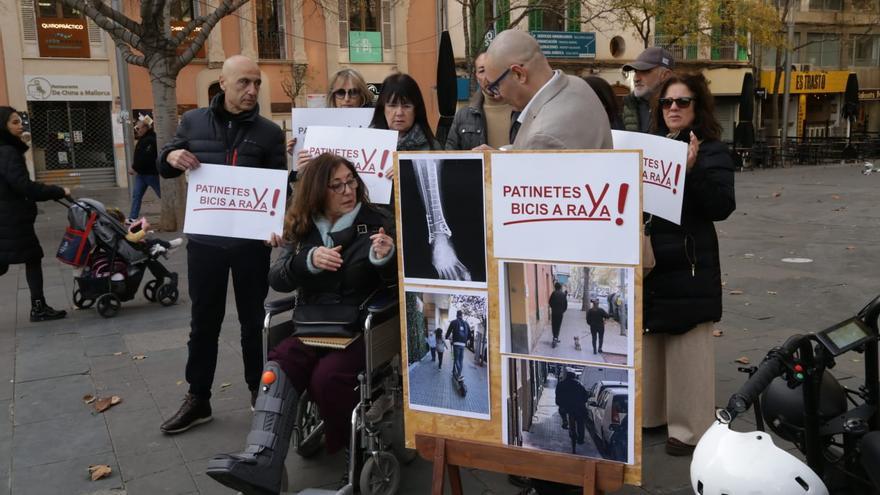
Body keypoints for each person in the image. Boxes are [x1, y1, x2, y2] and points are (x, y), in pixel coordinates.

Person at [206, 153, 396, 494]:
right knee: (277, 368)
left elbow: (398, 285)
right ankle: (262, 460)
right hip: (312, 324)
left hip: (359, 326)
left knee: (328, 378)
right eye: (335, 185)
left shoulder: (379, 221)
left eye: (350, 181)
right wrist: (306, 260)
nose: (347, 190)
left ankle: (352, 452)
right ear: (316, 192)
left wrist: (384, 258)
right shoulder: (302, 224)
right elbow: (277, 277)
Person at [157, 55, 286, 434]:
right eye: (244, 82)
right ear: (224, 84)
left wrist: (276, 224)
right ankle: (198, 398)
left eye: (257, 83)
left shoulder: (268, 132)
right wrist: (171, 155)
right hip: (206, 243)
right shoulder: (193, 121)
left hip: (250, 245)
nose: (252, 90)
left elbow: (279, 184)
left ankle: (256, 391)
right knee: (203, 323)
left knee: (252, 323)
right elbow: (165, 163)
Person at [643, 72, 736, 456]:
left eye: (682, 102)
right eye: (667, 102)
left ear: (697, 107)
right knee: (651, 340)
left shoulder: (712, 150)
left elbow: (721, 206)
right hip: (651, 259)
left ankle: (689, 429)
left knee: (687, 348)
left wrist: (693, 169)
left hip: (687, 260)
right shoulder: (649, 146)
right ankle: (651, 415)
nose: (674, 109)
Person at [482, 29, 612, 150]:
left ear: (519, 74)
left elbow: (528, 168)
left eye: (496, 86)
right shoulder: (577, 84)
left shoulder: (542, 137)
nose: (497, 96)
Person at [0, 106, 69, 322]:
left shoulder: (7, 149)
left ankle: (39, 306)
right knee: (32, 257)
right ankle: (38, 307)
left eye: (20, 120)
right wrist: (56, 191)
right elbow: (23, 185)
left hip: (7, 216)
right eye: (14, 122)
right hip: (11, 218)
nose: (20, 125)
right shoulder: (8, 151)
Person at [289, 68, 374, 169]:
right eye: (340, 93)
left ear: (362, 95)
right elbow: (298, 182)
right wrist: (298, 160)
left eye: (353, 92)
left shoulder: (377, 124)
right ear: (332, 96)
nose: (347, 99)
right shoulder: (317, 123)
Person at [446, 51, 514, 150]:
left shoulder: (523, 111)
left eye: (493, 68)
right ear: (476, 76)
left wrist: (497, 157)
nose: (488, 77)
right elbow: (450, 159)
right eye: (482, 71)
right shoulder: (463, 116)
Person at [621, 47, 674, 133]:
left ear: (665, 75)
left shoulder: (680, 107)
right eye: (635, 71)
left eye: (645, 71)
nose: (636, 78)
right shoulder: (628, 105)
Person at [127, 116, 159, 223]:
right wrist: (135, 166)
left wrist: (134, 167)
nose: (137, 130)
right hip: (141, 174)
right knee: (137, 195)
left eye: (138, 128)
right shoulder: (144, 139)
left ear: (146, 128)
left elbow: (146, 157)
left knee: (162, 194)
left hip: (151, 174)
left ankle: (177, 211)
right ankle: (132, 217)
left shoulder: (150, 140)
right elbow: (140, 156)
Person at [555, 368, 588, 445]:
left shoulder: (561, 384)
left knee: (561, 410)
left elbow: (558, 396)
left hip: (566, 407)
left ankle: (565, 421)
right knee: (580, 422)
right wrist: (582, 402)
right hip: (578, 408)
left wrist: (559, 404)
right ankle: (581, 439)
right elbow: (585, 397)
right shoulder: (579, 385)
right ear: (574, 376)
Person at [445, 310, 470, 379]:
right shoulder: (466, 323)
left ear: (456, 315)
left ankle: (459, 375)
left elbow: (448, 332)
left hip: (456, 343)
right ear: (462, 315)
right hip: (463, 344)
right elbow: (470, 335)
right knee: (461, 360)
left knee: (456, 359)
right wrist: (465, 341)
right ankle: (455, 371)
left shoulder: (453, 322)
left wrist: (447, 337)